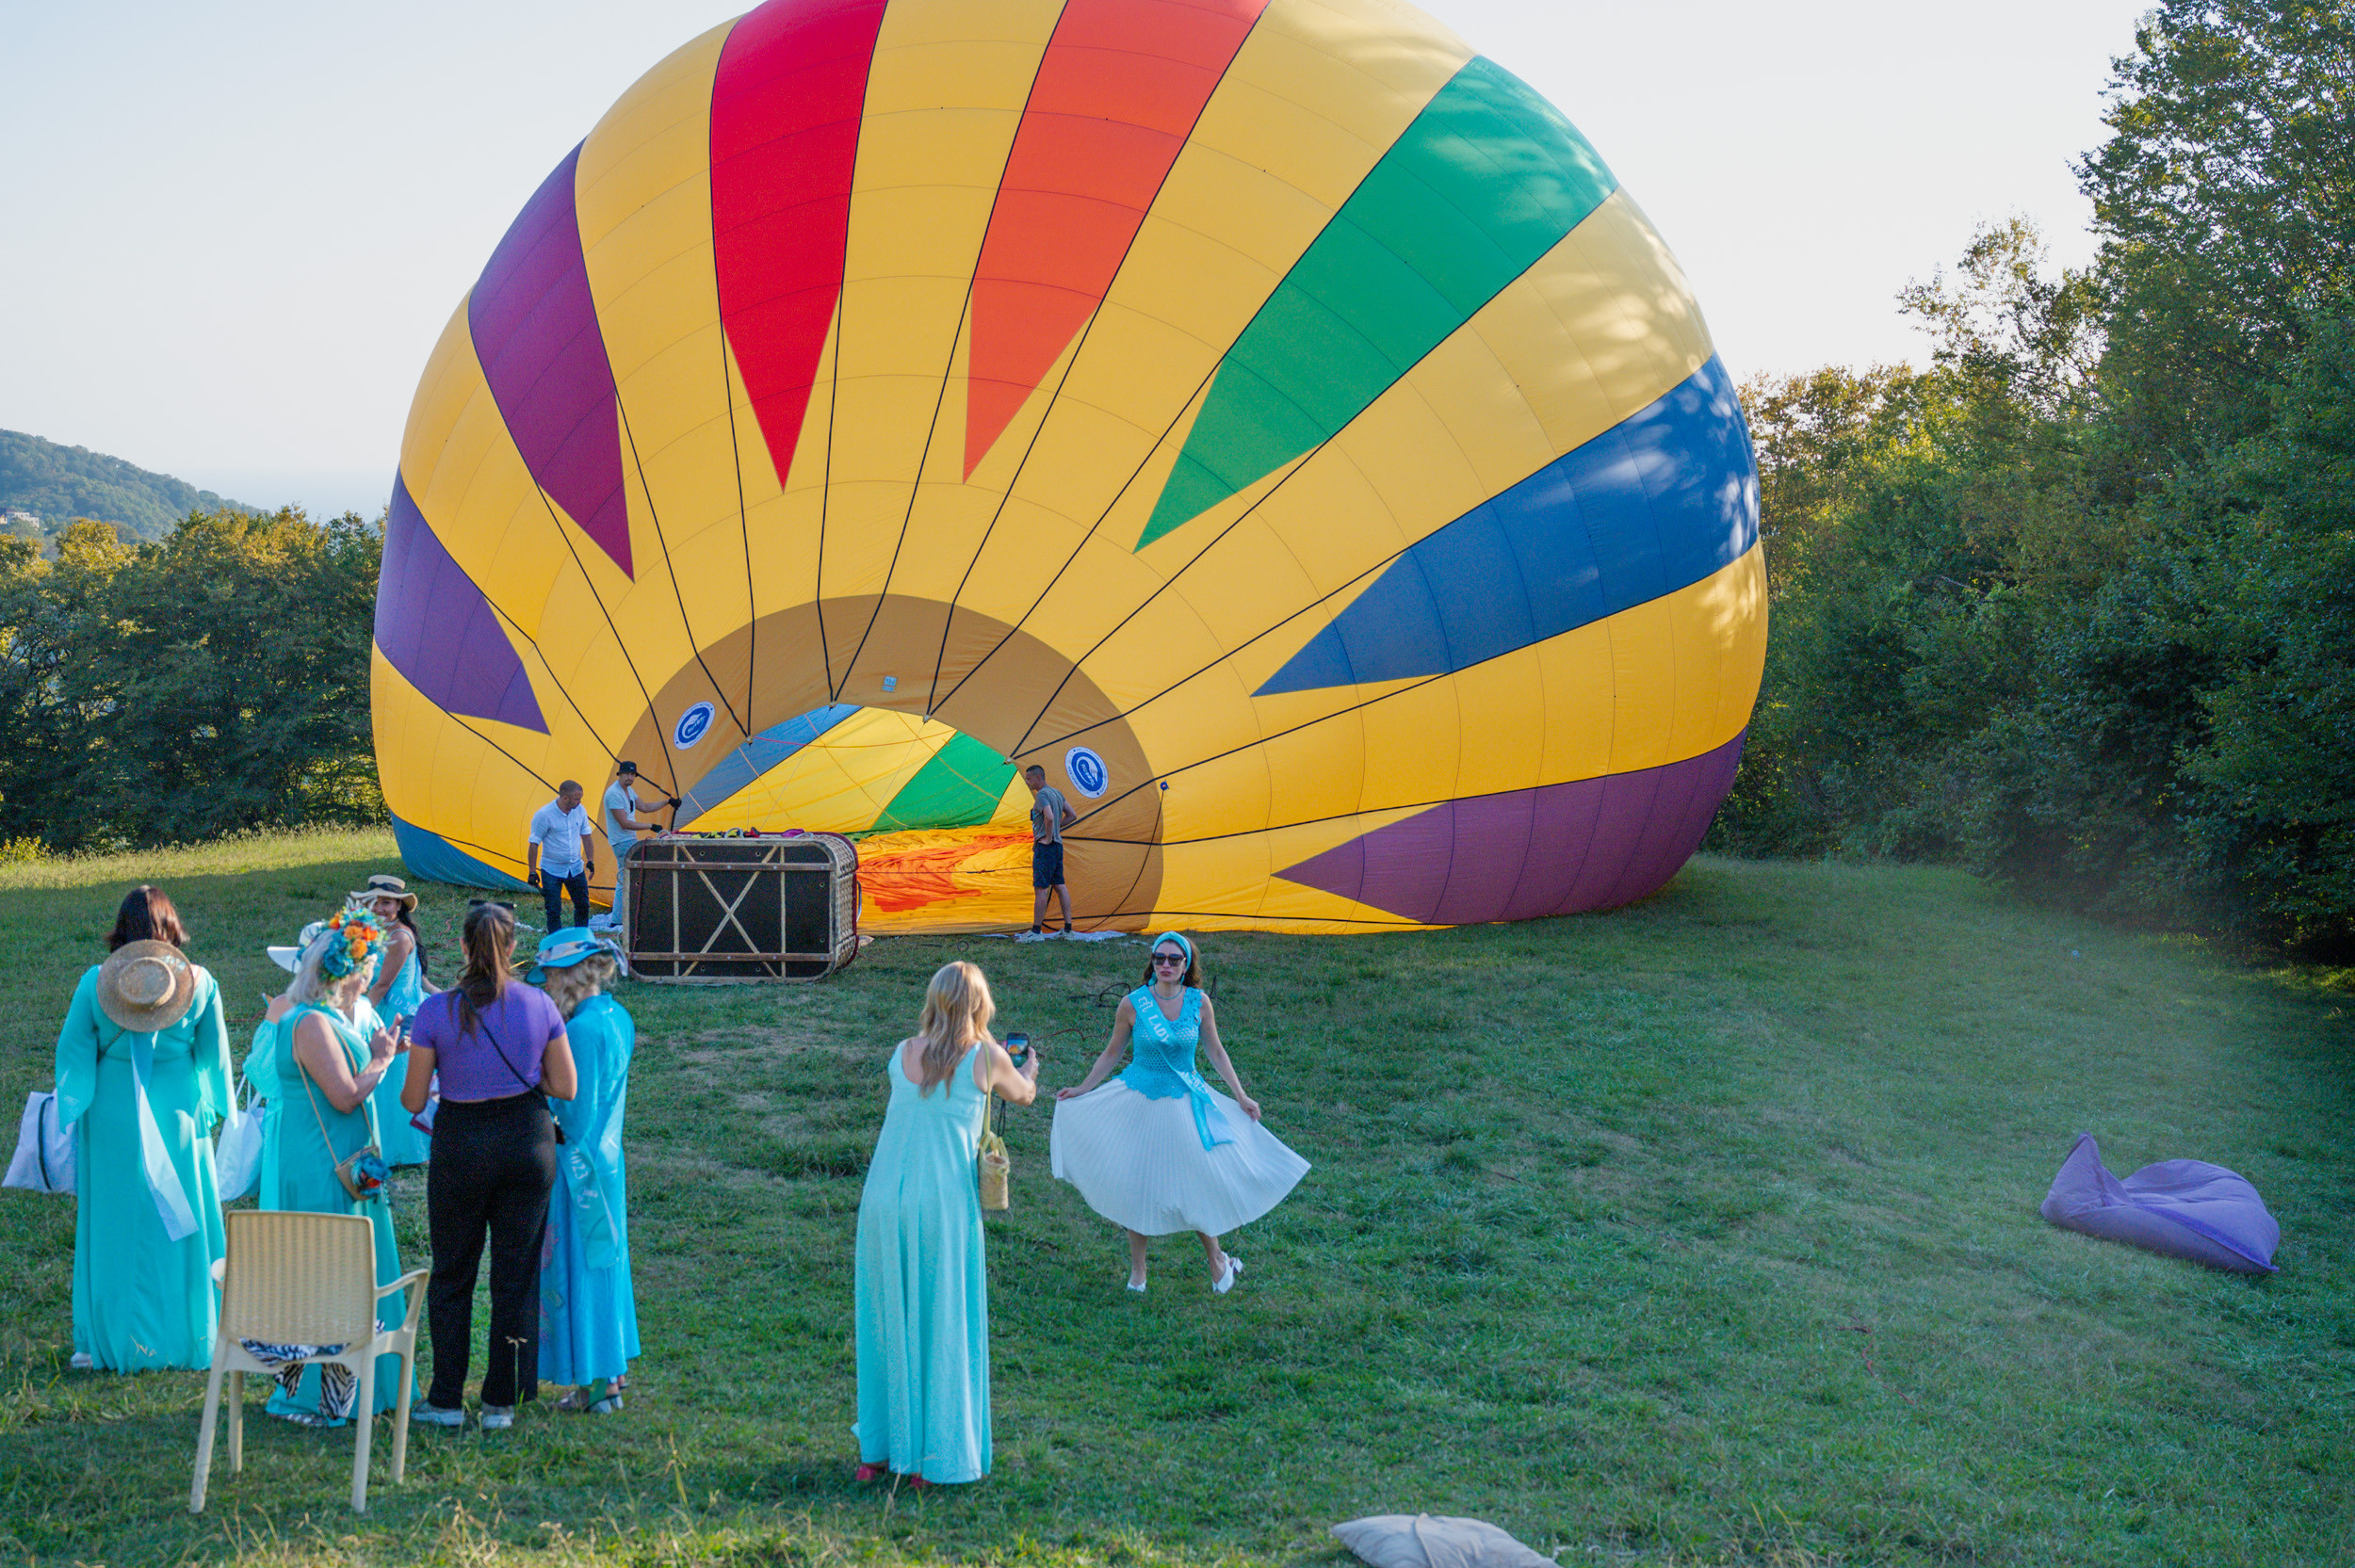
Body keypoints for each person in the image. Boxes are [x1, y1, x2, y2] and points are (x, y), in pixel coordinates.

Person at [853, 961, 1039, 1486]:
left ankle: (879, 1453)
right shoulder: (987, 1057)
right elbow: (1023, 1096)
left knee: (887, 1319)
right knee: (943, 1321)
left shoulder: (901, 1053)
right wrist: (1030, 1068)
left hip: (884, 1198)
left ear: (934, 1000)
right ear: (980, 1005)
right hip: (943, 1203)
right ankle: (934, 1458)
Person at [399, 901, 577, 1431]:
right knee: (515, 1275)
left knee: (453, 1273)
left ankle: (447, 1399)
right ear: (511, 948)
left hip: (462, 1144)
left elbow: (412, 1100)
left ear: (461, 947)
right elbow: (565, 1085)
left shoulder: (436, 1013)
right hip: (527, 1140)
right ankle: (502, 1400)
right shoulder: (539, 1004)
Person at [1051, 932, 1307, 1294]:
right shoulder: (1132, 1004)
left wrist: (1241, 1095)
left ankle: (1218, 1263)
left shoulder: (1199, 1003)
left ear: (1187, 966)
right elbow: (1111, 1053)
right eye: (1160, 959)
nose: (1166, 965)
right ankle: (1138, 1273)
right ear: (1152, 962)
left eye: (1175, 959)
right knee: (1136, 1183)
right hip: (1138, 1101)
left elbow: (1216, 1052)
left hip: (1186, 1103)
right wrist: (1082, 1089)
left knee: (1197, 1182)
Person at [243, 911, 415, 1425]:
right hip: (321, 1162)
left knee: (347, 1261)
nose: (369, 977)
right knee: (325, 1266)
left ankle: (361, 1389)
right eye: (365, 967)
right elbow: (343, 1096)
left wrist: (381, 1053)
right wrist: (382, 1062)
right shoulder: (311, 1021)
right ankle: (315, 1394)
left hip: (342, 1157)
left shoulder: (331, 1018)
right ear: (346, 972)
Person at [53, 886, 232, 1370]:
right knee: (182, 1220)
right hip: (178, 1116)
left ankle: (109, 1337)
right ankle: (191, 1331)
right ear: (171, 927)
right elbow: (213, 1059)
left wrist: (73, 1106)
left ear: (122, 927)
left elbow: (72, 1053)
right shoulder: (199, 982)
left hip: (113, 1115)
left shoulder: (96, 983)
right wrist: (213, 1109)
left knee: (114, 1222)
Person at [528, 928, 639, 1414]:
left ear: (572, 974)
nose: (547, 985)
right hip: (608, 1160)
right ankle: (611, 1373)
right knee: (607, 1266)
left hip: (579, 1169)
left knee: (582, 1271)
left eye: (551, 975)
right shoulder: (618, 1017)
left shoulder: (579, 1030)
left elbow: (573, 1113)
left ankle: (596, 1386)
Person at [357, 874, 436, 1167]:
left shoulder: (399, 937)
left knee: (394, 1077)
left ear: (399, 906)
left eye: (386, 902)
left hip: (395, 1013)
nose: (379, 907)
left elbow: (381, 985)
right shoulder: (373, 930)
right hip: (384, 1007)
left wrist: (356, 1017)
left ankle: (402, 1148)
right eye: (375, 901)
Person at [601, 761, 673, 940]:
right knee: (625, 877)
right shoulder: (614, 794)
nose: (630, 778)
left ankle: (619, 917)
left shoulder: (629, 791)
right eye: (627, 774)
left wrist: (668, 802)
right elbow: (624, 823)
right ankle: (617, 920)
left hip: (629, 839)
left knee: (625, 877)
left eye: (633, 775)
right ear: (620, 774)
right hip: (621, 841)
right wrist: (651, 826)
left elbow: (646, 808)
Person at [528, 782, 595, 936]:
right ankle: (556, 945)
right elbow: (534, 843)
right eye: (577, 799)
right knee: (553, 909)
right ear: (565, 798)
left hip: (575, 868)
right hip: (552, 870)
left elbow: (586, 835)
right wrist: (532, 872)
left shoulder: (580, 811)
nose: (580, 802)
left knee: (583, 905)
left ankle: (581, 939)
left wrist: (590, 859)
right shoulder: (544, 815)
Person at [1023, 764, 1077, 936]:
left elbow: (1050, 816)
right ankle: (1068, 930)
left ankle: (1036, 932)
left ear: (1039, 778)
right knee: (1060, 886)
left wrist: (1047, 836)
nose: (1027, 782)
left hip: (1046, 848)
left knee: (1041, 889)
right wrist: (1055, 831)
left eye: (1029, 778)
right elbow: (1072, 815)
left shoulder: (1042, 795)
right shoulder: (1057, 793)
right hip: (1057, 847)